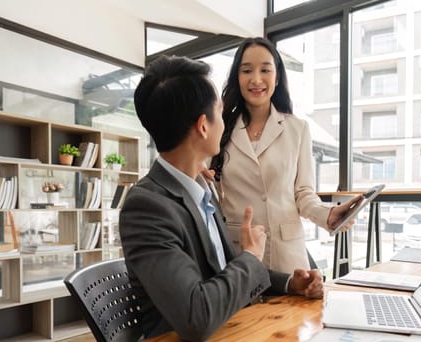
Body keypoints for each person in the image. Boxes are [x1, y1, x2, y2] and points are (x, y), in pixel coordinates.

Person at [119, 54, 324, 341]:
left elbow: (226, 271)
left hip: (233, 328)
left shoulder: (203, 190)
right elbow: (196, 317)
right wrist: (252, 256)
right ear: (204, 126)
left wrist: (290, 283)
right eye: (219, 111)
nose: (225, 123)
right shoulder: (147, 207)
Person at [209, 37, 362, 273]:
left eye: (265, 70)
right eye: (247, 70)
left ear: (277, 77)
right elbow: (210, 190)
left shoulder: (297, 129)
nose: (256, 79)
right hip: (239, 253)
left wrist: (328, 215)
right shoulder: (220, 129)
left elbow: (303, 193)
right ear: (237, 78)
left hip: (287, 255)